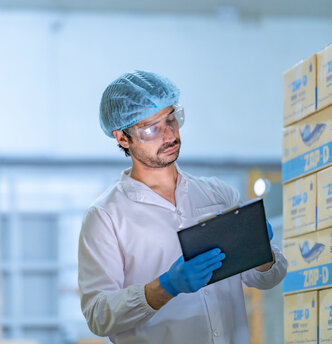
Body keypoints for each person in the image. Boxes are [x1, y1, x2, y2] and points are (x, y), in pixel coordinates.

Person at [78, 70, 287, 344]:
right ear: (122, 138)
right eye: (151, 129)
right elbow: (98, 314)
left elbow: (267, 279)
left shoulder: (218, 194)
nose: (169, 134)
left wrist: (260, 252)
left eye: (171, 119)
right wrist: (164, 287)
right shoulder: (106, 217)